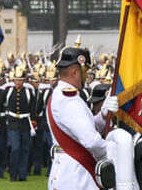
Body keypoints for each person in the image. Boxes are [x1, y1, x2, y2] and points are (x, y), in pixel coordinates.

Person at [46, 44, 118, 190]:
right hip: (76, 174)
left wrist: (103, 115)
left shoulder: (62, 95)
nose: (87, 75)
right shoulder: (69, 100)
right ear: (75, 71)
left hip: (70, 170)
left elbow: (86, 128)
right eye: (85, 70)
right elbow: (92, 141)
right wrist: (115, 153)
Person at [3, 66, 37, 182]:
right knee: (15, 148)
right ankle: (13, 173)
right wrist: (0, 119)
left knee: (25, 149)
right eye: (16, 80)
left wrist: (33, 125)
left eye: (20, 80)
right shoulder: (8, 91)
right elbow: (0, 105)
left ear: (24, 80)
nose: (18, 82)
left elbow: (33, 110)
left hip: (25, 123)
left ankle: (22, 174)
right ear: (13, 80)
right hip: (13, 123)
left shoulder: (28, 92)